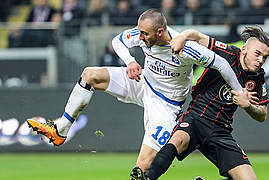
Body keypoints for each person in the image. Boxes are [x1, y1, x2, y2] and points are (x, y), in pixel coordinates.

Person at [26, 8, 243, 179]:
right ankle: (60, 130)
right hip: (141, 82)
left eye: (144, 34)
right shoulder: (142, 35)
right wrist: (130, 61)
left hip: (166, 104)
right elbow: (117, 41)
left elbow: (222, 64)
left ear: (160, 32)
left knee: (144, 165)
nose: (140, 37)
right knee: (90, 74)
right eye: (139, 32)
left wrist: (239, 92)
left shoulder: (185, 48)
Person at [136, 26, 269, 180]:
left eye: (265, 57)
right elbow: (197, 35)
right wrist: (182, 37)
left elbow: (263, 114)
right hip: (196, 118)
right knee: (177, 141)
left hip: (221, 131)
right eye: (258, 54)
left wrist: (248, 106)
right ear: (244, 49)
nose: (260, 60)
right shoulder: (227, 53)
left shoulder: (258, 78)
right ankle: (148, 177)